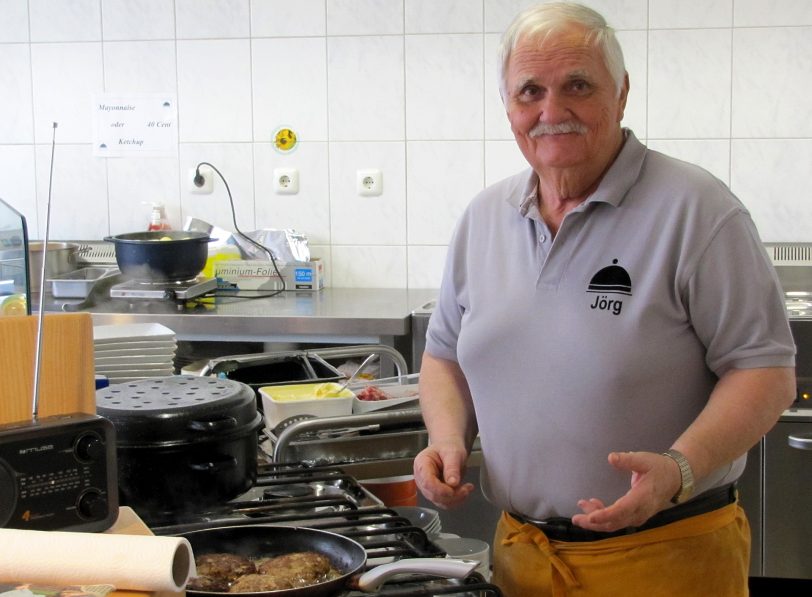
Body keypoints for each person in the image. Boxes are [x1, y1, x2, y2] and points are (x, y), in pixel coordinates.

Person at [412, 2, 796, 596]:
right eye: (529, 91)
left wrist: (679, 469)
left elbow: (765, 371)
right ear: (508, 107)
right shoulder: (484, 218)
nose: (551, 111)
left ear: (621, 94)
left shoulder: (697, 210)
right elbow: (443, 354)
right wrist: (446, 439)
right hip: (523, 556)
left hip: (669, 556)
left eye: (578, 86)